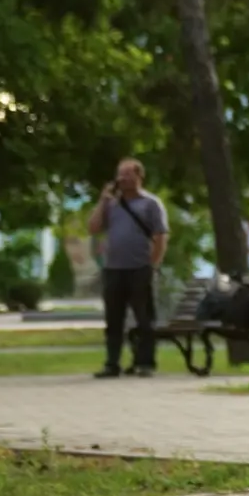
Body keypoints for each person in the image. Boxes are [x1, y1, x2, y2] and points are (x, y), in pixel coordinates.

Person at [85, 158, 169, 378]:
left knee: (144, 318)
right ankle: (112, 363)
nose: (122, 179)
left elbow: (160, 237)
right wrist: (102, 201)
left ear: (139, 176)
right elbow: (93, 228)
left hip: (140, 268)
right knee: (113, 319)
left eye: (127, 174)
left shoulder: (151, 204)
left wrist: (152, 265)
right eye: (119, 174)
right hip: (114, 268)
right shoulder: (111, 205)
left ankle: (145, 363)